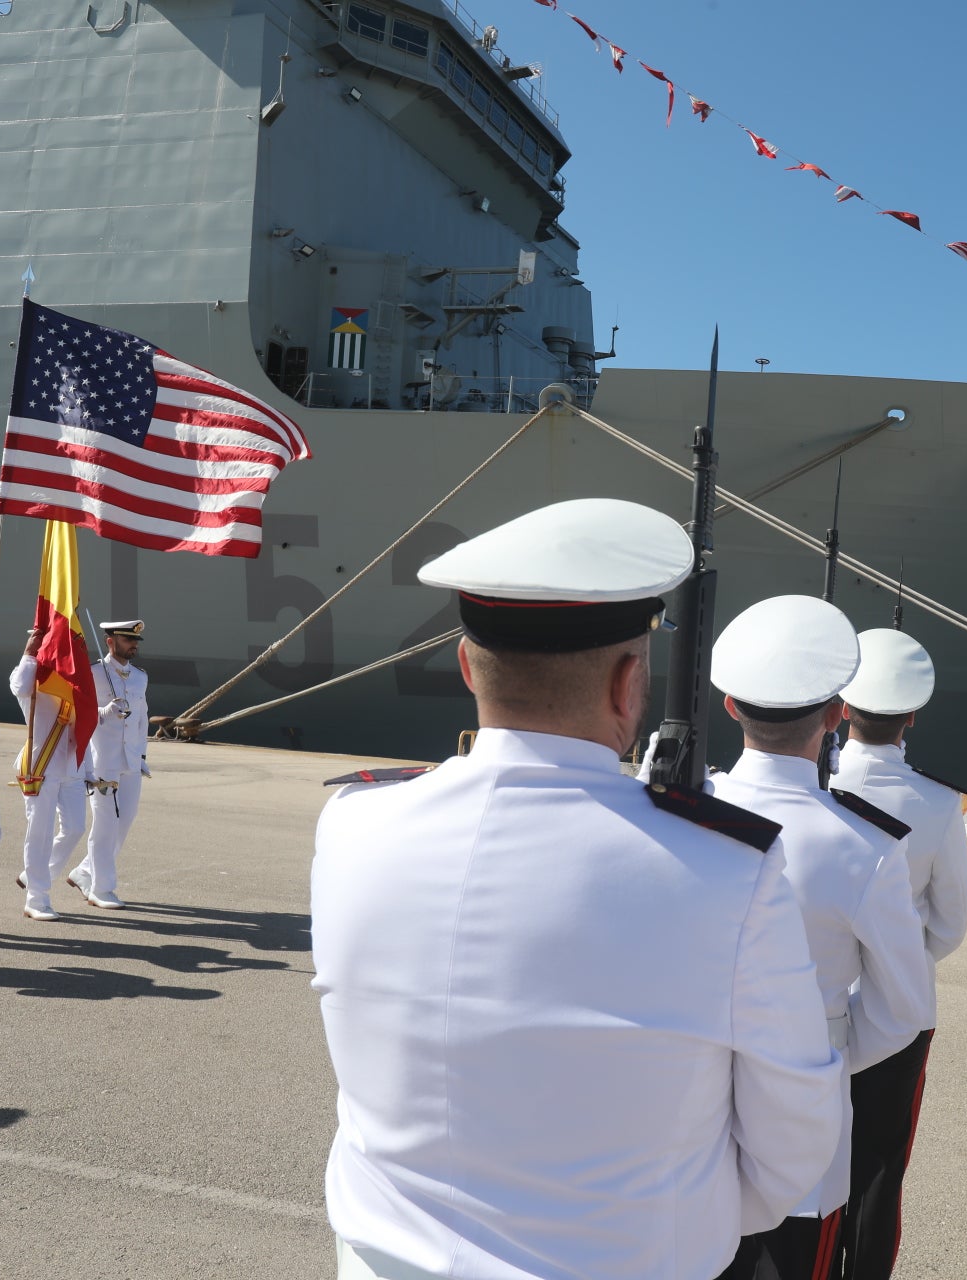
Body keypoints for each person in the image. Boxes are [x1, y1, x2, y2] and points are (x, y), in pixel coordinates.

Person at [312, 499, 843, 1280]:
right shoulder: (731, 869)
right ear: (630, 683)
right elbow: (794, 1137)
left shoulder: (353, 822)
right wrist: (678, 1220)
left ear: (467, 666)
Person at [705, 596, 932, 1280]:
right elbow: (902, 1012)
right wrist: (822, 1050)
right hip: (799, 1141)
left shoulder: (680, 816)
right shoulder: (864, 847)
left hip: (674, 1133)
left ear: (728, 706)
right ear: (836, 715)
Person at [829, 627, 967, 1280]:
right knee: (881, 1170)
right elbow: (948, 924)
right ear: (912, 715)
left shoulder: (818, 785)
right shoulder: (940, 804)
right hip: (900, 1012)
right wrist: (899, 961)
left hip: (810, 1005)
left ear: (840, 706)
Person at [10, 626, 92, 921]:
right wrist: (30, 651)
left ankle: (33, 876)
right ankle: (37, 897)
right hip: (40, 766)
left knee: (74, 828)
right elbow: (18, 685)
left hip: (70, 767)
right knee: (40, 833)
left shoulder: (74, 686)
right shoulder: (34, 683)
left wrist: (89, 769)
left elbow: (83, 731)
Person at [70, 619, 150, 910]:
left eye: (135, 641)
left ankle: (85, 871)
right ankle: (101, 888)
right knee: (105, 823)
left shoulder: (140, 677)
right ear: (110, 641)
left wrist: (141, 756)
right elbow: (79, 714)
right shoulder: (93, 674)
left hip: (130, 759)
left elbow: (142, 719)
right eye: (127, 640)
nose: (133, 645)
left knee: (124, 821)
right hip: (102, 760)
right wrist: (105, 711)